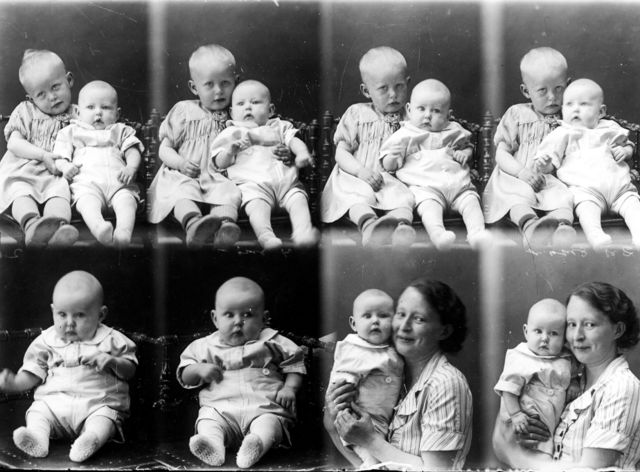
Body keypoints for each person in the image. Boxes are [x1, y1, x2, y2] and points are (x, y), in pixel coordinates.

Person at [324, 279, 472, 470]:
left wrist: (370, 440)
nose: (403, 326)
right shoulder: (392, 371)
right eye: (401, 314)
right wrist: (333, 421)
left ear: (444, 331)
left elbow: (437, 470)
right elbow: (368, 464)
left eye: (419, 319)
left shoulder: (446, 384)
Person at [493, 282, 640, 470]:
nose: (576, 336)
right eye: (571, 324)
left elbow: (590, 469)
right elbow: (504, 434)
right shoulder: (570, 379)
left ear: (617, 330)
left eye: (589, 324)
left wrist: (514, 455)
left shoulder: (621, 386)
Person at [0, 270, 137, 462]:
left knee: (105, 419)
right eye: (62, 314)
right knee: (38, 411)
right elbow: (33, 372)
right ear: (53, 310)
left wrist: (112, 361)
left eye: (79, 315)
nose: (69, 323)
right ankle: (38, 439)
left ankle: (91, 440)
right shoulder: (47, 341)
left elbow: (130, 370)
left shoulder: (111, 340)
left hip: (97, 404)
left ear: (101, 314)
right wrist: (14, 383)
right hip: (54, 405)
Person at [177, 277, 306, 468]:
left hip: (264, 408)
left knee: (270, 424)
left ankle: (256, 446)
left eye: (248, 315)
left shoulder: (273, 341)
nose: (238, 322)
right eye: (229, 315)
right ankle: (213, 446)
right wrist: (198, 369)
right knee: (208, 421)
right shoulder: (204, 346)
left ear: (264, 318)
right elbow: (185, 375)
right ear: (215, 318)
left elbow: (295, 364)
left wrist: (290, 388)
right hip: (220, 410)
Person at [146, 44, 243, 248]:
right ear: (193, 87)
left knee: (227, 192)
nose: (218, 91)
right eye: (209, 84)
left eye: (225, 83)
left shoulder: (238, 114)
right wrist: (180, 164)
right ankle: (193, 225)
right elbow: (164, 148)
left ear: (236, 81)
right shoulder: (184, 111)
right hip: (185, 173)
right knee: (181, 192)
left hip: (218, 174)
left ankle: (225, 227)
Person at [320, 46, 416, 247]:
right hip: (357, 176)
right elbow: (341, 152)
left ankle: (401, 228)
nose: (393, 95)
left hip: (393, 179)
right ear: (366, 91)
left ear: (408, 83)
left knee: (403, 199)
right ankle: (369, 226)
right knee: (356, 198)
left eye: (399, 86)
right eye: (383, 88)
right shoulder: (357, 114)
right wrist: (360, 171)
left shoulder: (412, 117)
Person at [380, 79, 492, 250]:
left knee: (472, 203)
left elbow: (468, 147)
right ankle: (438, 235)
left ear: (448, 115)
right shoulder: (404, 135)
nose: (427, 115)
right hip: (426, 189)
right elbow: (389, 165)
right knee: (429, 209)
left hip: (459, 187)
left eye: (436, 111)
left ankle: (477, 234)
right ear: (409, 110)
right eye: (421, 109)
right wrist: (393, 157)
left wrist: (465, 154)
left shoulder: (454, 129)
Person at [482, 47, 575, 249]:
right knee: (516, 198)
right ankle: (531, 227)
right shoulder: (517, 114)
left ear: (568, 85)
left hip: (551, 179)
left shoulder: (570, 118)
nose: (552, 97)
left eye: (559, 88)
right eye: (542, 90)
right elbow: (501, 153)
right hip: (517, 176)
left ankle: (562, 229)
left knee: (563, 199)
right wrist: (521, 172)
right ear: (526, 91)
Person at [210, 80, 319, 249]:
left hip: (287, 184)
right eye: (241, 104)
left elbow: (294, 141)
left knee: (299, 200)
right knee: (257, 208)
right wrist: (230, 151)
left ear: (271, 110)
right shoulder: (231, 132)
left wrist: (302, 153)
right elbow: (219, 162)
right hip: (254, 187)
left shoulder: (279, 126)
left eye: (255, 102)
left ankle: (302, 232)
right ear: (231, 112)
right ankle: (266, 236)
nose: (248, 107)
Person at [534, 78, 640, 249]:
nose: (575, 109)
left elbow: (628, 145)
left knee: (634, 208)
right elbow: (550, 165)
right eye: (569, 104)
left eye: (584, 104)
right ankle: (596, 236)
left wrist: (626, 151)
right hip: (586, 192)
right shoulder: (563, 133)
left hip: (621, 190)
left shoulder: (609, 127)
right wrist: (544, 164)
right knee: (586, 211)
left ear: (601, 111)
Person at [0, 49, 79, 246]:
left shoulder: (78, 114)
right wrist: (43, 155)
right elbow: (14, 143)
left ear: (69, 80)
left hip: (57, 173)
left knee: (60, 193)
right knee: (20, 191)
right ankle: (32, 226)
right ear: (31, 99)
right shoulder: (26, 111)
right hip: (23, 169)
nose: (51, 97)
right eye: (41, 94)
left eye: (55, 87)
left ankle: (58, 229)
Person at [53, 81, 142, 246]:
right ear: (78, 112)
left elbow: (132, 150)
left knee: (127, 202)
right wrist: (65, 166)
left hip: (119, 184)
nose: (98, 112)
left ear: (117, 113)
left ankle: (123, 232)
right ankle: (99, 228)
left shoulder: (120, 130)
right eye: (90, 107)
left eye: (106, 107)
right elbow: (59, 156)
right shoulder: (71, 132)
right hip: (88, 185)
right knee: (87, 203)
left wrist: (131, 167)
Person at [328, 289, 404, 468]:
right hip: (359, 420)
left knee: (388, 458)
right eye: (367, 316)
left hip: (385, 422)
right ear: (354, 324)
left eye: (383, 315)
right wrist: (342, 411)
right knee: (373, 461)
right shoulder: (354, 349)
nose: (375, 320)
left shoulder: (393, 348)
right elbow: (340, 383)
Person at [494, 298, 579, 456]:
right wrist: (516, 415)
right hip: (525, 419)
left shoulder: (566, 358)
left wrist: (573, 382)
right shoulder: (521, 357)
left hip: (550, 421)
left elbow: (571, 374)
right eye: (538, 331)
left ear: (564, 339)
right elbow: (508, 390)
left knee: (546, 454)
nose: (544, 338)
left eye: (553, 333)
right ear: (526, 331)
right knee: (532, 454)